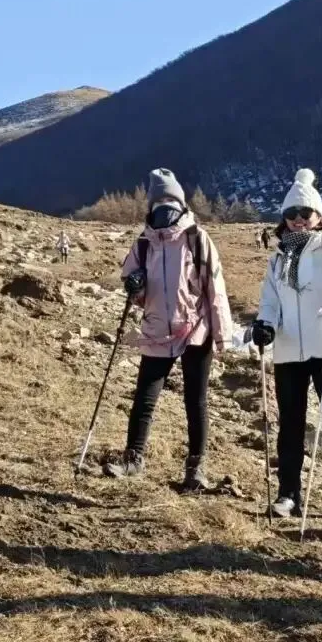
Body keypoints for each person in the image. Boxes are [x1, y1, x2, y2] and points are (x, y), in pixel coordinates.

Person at [104, 168, 233, 492]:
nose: (165, 208)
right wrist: (135, 287)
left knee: (195, 401)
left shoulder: (197, 239)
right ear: (151, 205)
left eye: (170, 201)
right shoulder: (144, 243)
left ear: (180, 203)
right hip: (157, 330)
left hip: (195, 331)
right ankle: (134, 459)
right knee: (145, 398)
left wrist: (222, 335)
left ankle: (195, 469)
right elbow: (131, 282)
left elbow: (215, 289)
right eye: (159, 202)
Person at [252, 169, 322, 518]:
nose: (298, 219)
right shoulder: (277, 257)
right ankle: (288, 493)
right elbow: (271, 300)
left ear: (319, 216)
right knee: (291, 424)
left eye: (305, 213)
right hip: (288, 348)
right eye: (291, 213)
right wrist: (266, 325)